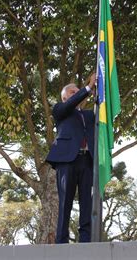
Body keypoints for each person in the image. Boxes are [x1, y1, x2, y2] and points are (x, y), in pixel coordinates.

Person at [46, 73, 96, 244]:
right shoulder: (60, 110)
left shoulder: (89, 115)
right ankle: (62, 241)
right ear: (65, 97)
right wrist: (88, 88)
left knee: (86, 203)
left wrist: (99, 94)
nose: (78, 93)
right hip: (66, 161)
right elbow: (69, 105)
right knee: (65, 202)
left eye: (78, 91)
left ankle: (85, 241)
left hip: (86, 161)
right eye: (74, 92)